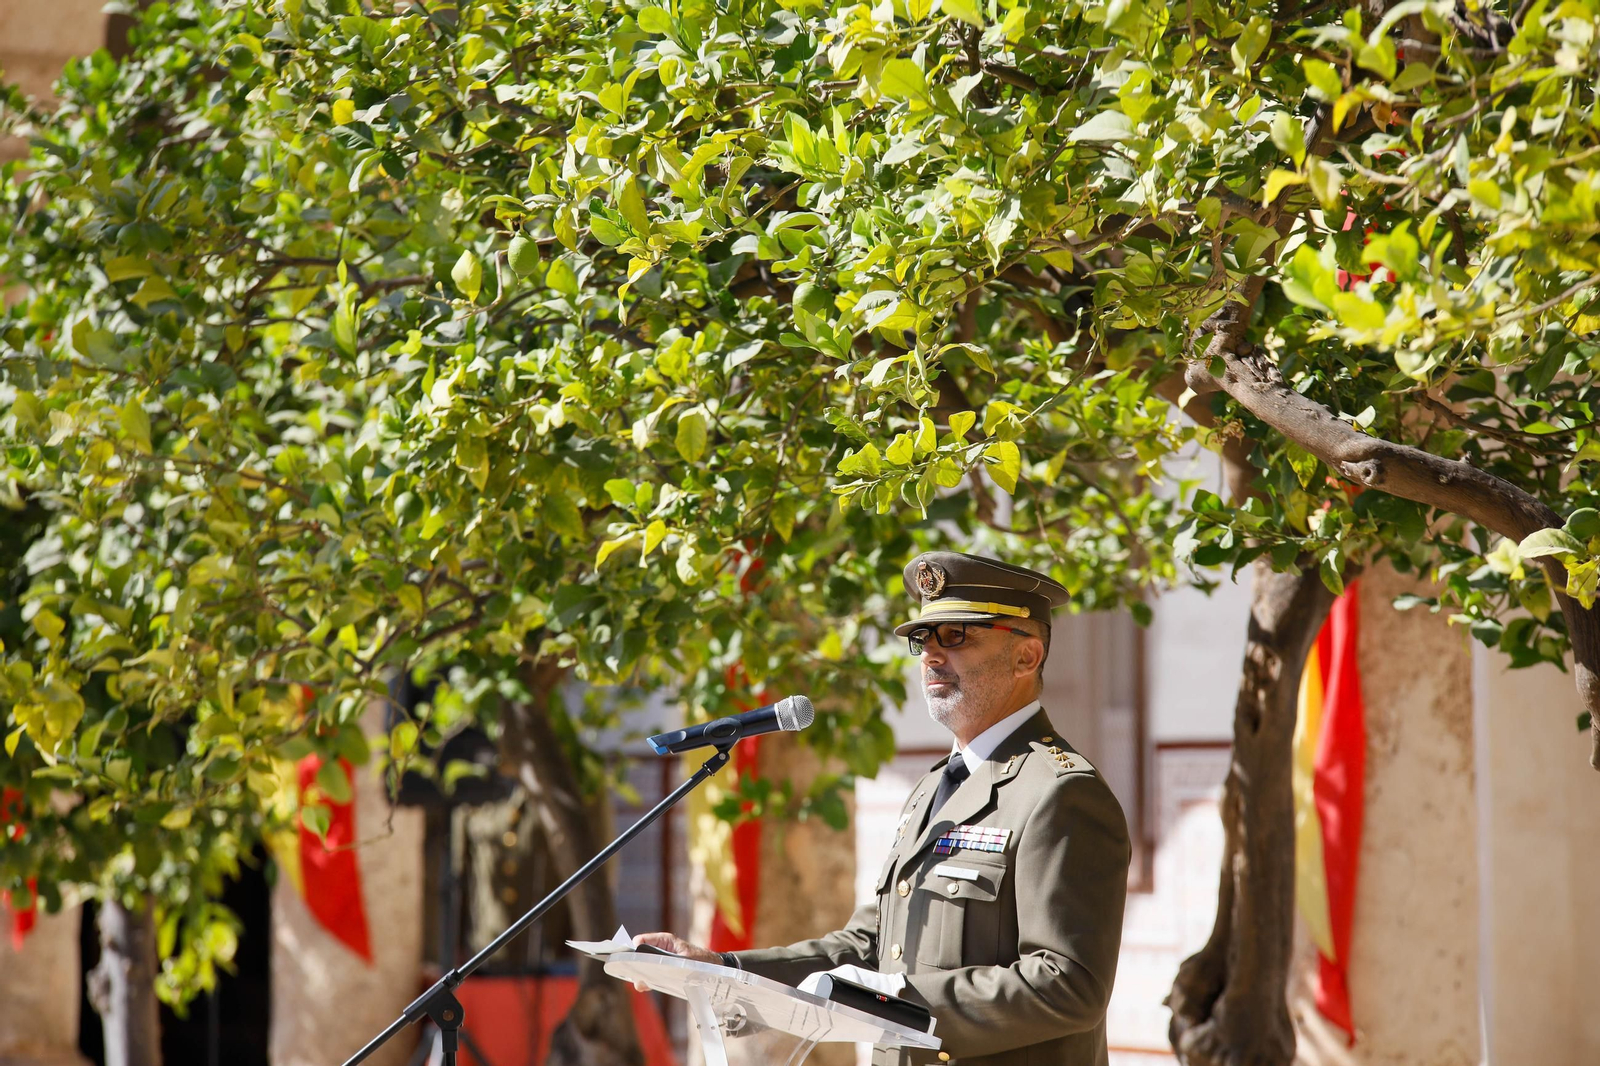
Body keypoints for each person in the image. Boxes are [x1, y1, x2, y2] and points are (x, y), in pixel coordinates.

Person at [636, 551, 1131, 1066]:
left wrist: (893, 1000)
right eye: (924, 640)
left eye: (956, 636)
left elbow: (1068, 985)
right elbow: (869, 944)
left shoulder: (1059, 793)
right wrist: (722, 967)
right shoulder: (935, 787)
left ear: (1026, 656)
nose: (932, 657)